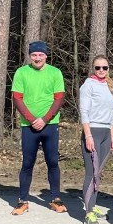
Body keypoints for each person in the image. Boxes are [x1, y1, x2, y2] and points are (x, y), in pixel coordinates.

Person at [11, 41, 66, 215]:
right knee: (27, 163)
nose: (37, 58)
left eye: (40, 55)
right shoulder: (21, 72)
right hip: (29, 126)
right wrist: (32, 119)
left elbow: (58, 98)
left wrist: (45, 119)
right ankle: (23, 200)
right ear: (30, 56)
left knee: (53, 162)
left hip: (50, 125)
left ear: (46, 56)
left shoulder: (55, 73)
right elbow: (17, 98)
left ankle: (55, 199)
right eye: (34, 55)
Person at [79, 55, 113, 224]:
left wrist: (112, 135)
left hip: (105, 133)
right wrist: (88, 136)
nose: (101, 71)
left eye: (104, 68)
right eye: (98, 68)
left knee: (98, 173)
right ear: (93, 69)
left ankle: (92, 206)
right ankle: (88, 214)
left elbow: (110, 114)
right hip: (92, 131)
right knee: (91, 173)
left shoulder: (109, 86)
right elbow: (84, 112)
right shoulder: (88, 85)